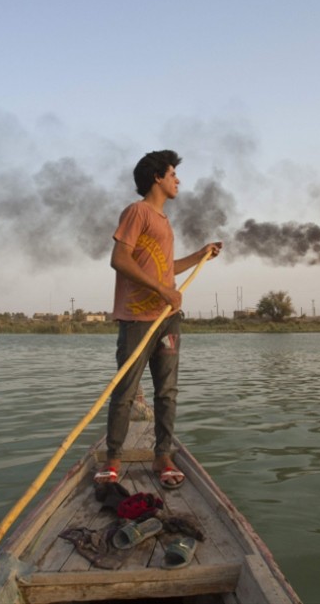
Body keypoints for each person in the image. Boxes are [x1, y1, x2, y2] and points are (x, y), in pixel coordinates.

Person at [95, 150, 222, 489]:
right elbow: (119, 259)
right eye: (172, 174)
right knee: (126, 391)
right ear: (157, 178)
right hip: (138, 319)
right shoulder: (138, 212)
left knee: (167, 392)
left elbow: (166, 270)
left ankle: (162, 455)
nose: (177, 180)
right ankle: (113, 461)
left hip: (168, 320)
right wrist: (164, 291)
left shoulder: (165, 223)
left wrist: (200, 255)